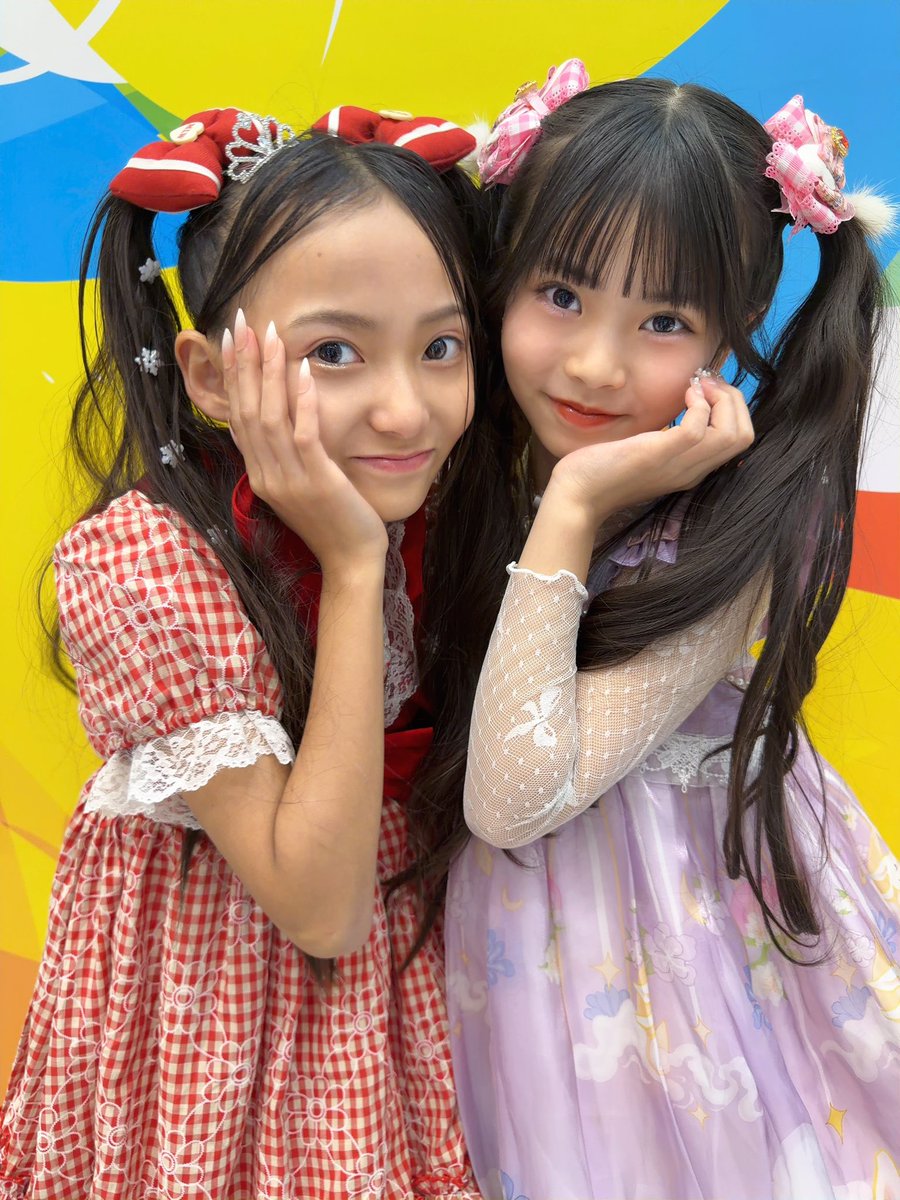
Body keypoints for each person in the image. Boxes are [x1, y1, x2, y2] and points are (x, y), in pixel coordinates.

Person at [0, 105, 490, 1199]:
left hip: (395, 1006)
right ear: (213, 376)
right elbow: (321, 909)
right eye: (333, 353)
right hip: (214, 1008)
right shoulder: (150, 567)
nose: (404, 407)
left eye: (441, 347)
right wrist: (353, 568)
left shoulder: (448, 521)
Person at [446, 65, 900, 1199]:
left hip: (690, 969)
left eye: (662, 322)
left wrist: (574, 503)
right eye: (560, 293)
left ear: (731, 334)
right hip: (517, 954)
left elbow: (514, 798)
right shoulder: (458, 462)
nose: (595, 363)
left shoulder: (730, 529)